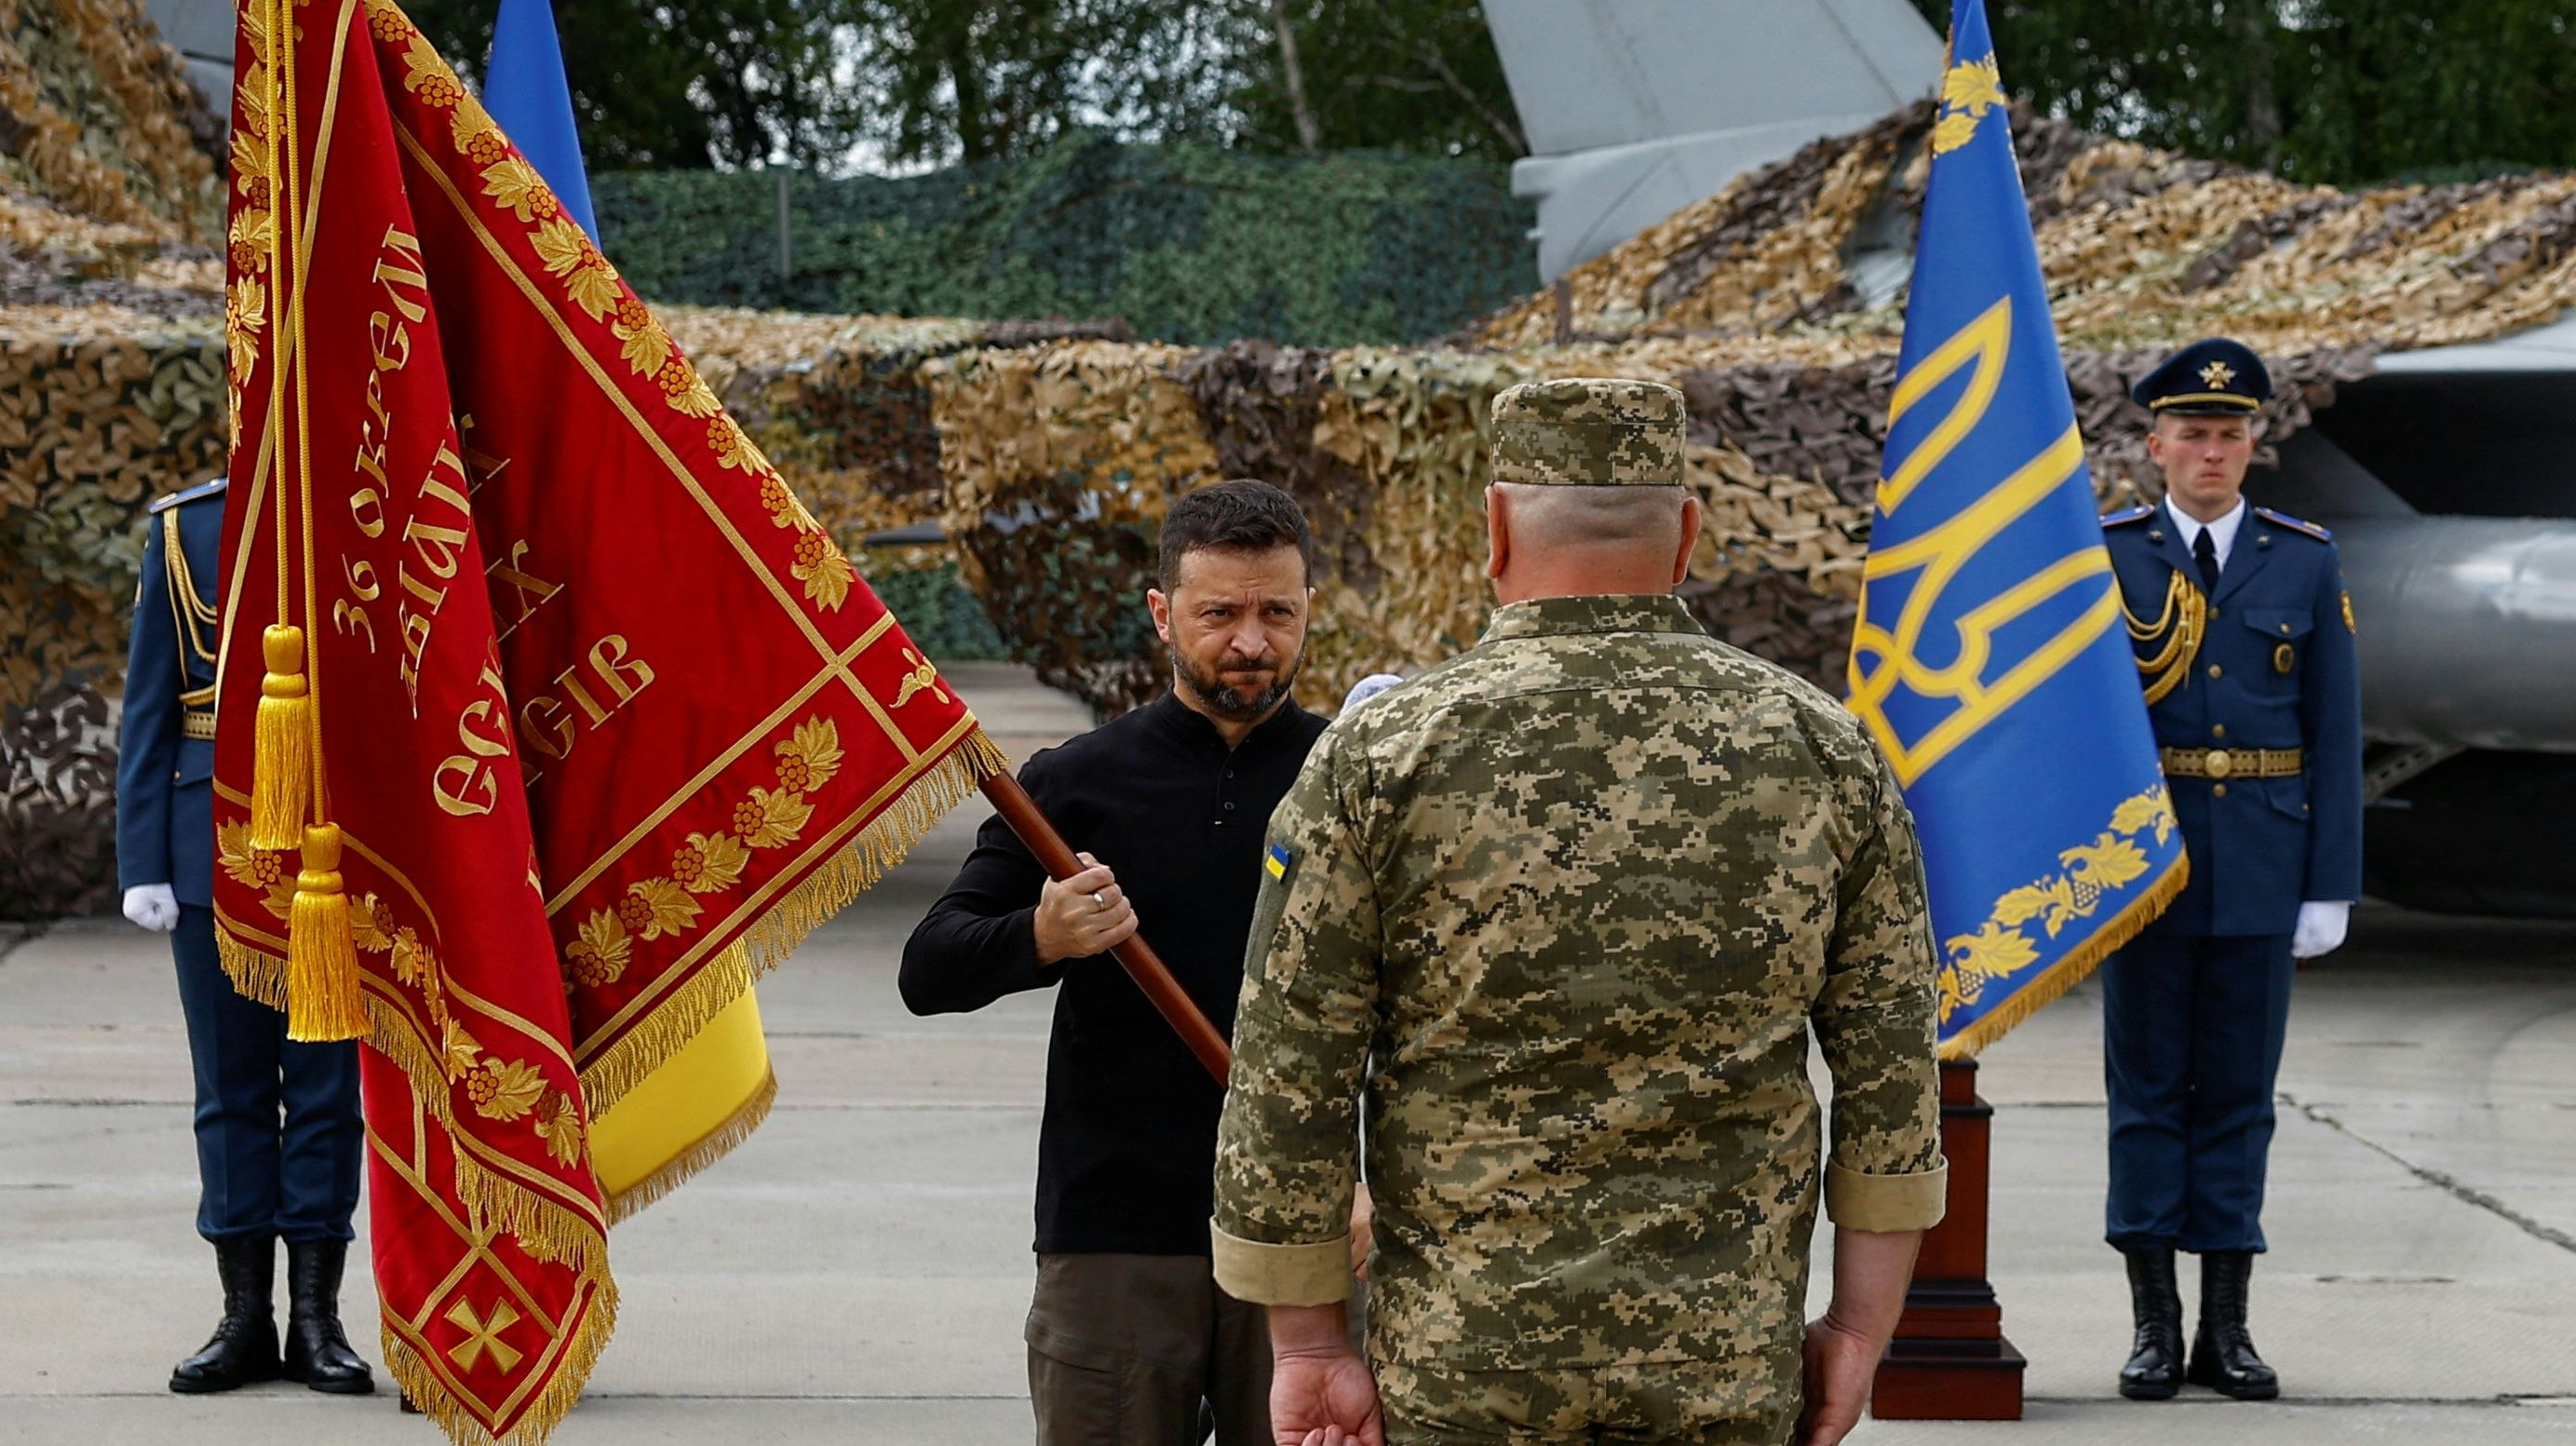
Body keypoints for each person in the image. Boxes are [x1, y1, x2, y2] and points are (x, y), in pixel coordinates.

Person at [1212, 378, 1947, 1446]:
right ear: (1686, 532)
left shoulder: (1379, 756)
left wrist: (1313, 1346)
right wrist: (1860, 1327)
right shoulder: (1823, 748)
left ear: (1495, 528)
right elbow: (1893, 1078)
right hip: (1724, 1370)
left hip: (1464, 1369)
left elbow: (1290, 1073)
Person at [902, 480, 1332, 1446]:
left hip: (1305, 1237)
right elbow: (929, 969)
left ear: (1311, 608)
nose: (1251, 642)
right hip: (1114, 1238)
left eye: (1277, 612)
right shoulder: (1072, 783)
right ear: (1162, 613)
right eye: (1218, 613)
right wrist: (1041, 936)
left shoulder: (1354, 778)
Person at [2097, 338, 2363, 1402]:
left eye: (2230, 434)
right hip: (2145, 860)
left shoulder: (2304, 558)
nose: (2211, 452)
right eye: (2192, 435)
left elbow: (2334, 727)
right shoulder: (2106, 552)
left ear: (2254, 445)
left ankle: (2229, 1328)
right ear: (2154, 445)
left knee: (2240, 1097)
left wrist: (2328, 881)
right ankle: (2154, 1328)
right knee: (2148, 1093)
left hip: (2261, 854)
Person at [115, 479, 372, 1397]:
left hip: (331, 846)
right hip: (204, 843)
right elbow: (150, 703)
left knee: (324, 1086)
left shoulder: (361, 505)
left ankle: (317, 1318)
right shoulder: (187, 526)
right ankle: (242, 1317)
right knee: (227, 1086)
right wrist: (141, 856)